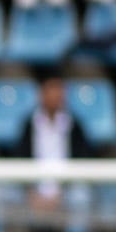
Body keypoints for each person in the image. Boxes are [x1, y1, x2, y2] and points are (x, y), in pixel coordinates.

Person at [17, 76, 94, 209]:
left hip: (66, 189)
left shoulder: (74, 125)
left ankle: (75, 230)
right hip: (34, 188)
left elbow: (81, 161)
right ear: (41, 94)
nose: (55, 96)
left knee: (82, 195)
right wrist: (31, 191)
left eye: (59, 91)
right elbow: (19, 159)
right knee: (2, 194)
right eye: (51, 91)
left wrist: (62, 193)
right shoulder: (29, 124)